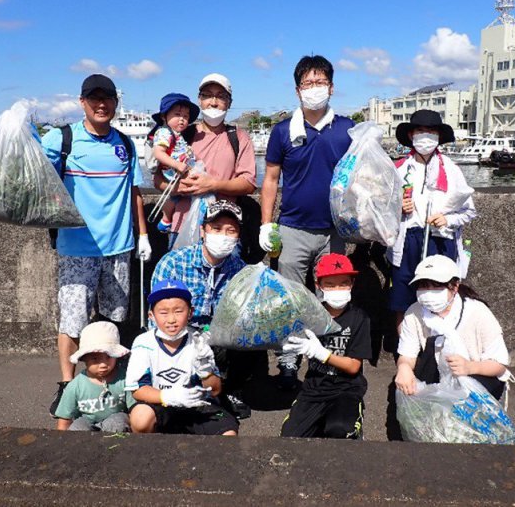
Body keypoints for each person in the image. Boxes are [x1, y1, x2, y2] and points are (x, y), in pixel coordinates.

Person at [42, 74, 151, 416]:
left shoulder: (125, 144)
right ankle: (67, 386)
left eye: (107, 98)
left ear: (116, 103)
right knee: (72, 323)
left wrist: (142, 233)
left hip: (118, 247)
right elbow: (32, 176)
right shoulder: (62, 139)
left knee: (113, 320)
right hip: (76, 248)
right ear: (82, 102)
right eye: (94, 98)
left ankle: (110, 385)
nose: (101, 104)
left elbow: (134, 193)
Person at [259, 55, 353, 388]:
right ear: (298, 90)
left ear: (332, 87)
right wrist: (266, 224)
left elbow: (365, 176)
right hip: (293, 228)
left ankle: (324, 359)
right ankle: (288, 362)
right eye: (308, 83)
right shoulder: (283, 131)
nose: (315, 89)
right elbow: (270, 179)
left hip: (334, 231)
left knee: (330, 297)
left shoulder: (347, 129)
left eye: (320, 82)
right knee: (290, 300)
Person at [151, 199, 263, 419]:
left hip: (219, 334)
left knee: (253, 335)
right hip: (181, 332)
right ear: (203, 231)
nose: (223, 235)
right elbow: (157, 315)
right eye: (216, 228)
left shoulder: (240, 270)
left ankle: (232, 389)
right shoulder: (173, 262)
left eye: (231, 230)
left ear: (238, 236)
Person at [390, 254, 512, 439]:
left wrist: (471, 367)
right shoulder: (413, 313)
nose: (428, 292)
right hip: (437, 374)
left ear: (454, 287)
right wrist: (404, 368)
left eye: (436, 285)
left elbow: (500, 363)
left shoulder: (478, 312)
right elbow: (407, 354)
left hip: (479, 376)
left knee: (468, 429)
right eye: (423, 286)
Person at [384, 109, 476, 352]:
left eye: (432, 132)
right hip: (406, 242)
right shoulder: (399, 169)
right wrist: (398, 208)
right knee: (402, 301)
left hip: (441, 241)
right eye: (421, 131)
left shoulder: (452, 169)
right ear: (411, 135)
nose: (426, 137)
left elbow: (468, 211)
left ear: (438, 137)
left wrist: (446, 219)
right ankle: (407, 354)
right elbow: (381, 212)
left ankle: (440, 354)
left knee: (442, 298)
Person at [152, 73, 256, 246]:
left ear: (229, 103)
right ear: (199, 100)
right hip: (181, 227)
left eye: (221, 96)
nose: (213, 102)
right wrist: (179, 188)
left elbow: (249, 184)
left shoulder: (239, 137)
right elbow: (157, 180)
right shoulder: (182, 134)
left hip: (224, 231)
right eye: (207, 95)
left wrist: (213, 185)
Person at [125, 279, 239, 436]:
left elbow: (215, 390)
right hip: (160, 404)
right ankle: (148, 454)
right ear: (151, 315)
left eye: (178, 311)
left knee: (228, 433)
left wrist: (206, 372)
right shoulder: (143, 342)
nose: (171, 320)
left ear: (190, 312)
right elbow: (137, 390)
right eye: (163, 313)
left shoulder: (199, 341)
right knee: (140, 418)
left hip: (196, 404)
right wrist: (169, 396)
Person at [281, 253, 371, 439]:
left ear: (352, 284)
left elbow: (354, 367)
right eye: (330, 284)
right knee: (290, 437)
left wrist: (322, 354)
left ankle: (353, 425)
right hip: (314, 388)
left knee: (339, 430)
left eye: (343, 283)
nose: (337, 289)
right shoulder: (311, 314)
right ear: (318, 286)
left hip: (346, 389)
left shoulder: (359, 318)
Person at [53, 321, 131, 432]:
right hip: (86, 420)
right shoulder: (76, 385)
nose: (103, 364)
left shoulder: (125, 379)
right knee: (77, 428)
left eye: (108, 357)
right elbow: (64, 420)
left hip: (116, 420)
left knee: (117, 422)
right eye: (95, 359)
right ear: (84, 358)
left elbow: (135, 411)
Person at [146, 93, 200, 232]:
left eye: (186, 116)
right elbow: (158, 153)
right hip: (174, 170)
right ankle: (166, 218)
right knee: (197, 189)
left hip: (180, 168)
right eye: (177, 114)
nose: (182, 119)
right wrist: (177, 165)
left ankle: (166, 219)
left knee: (174, 196)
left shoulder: (177, 134)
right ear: (164, 116)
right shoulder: (164, 132)